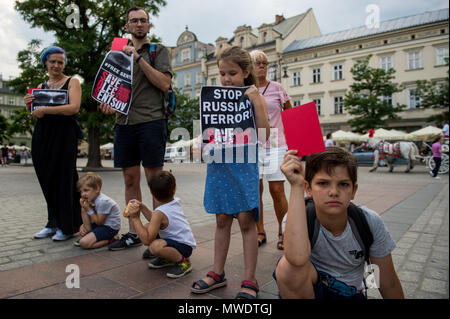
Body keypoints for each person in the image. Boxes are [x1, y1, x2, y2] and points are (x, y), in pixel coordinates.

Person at [191, 46, 270, 299]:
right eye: (222, 73)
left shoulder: (253, 95)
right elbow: (209, 127)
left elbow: (265, 134)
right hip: (219, 164)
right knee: (221, 220)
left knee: (247, 222)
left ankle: (250, 279)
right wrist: (199, 142)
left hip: (245, 164)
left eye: (232, 73)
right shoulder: (214, 96)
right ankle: (217, 272)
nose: (226, 79)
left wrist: (256, 99)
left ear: (246, 72)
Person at [274, 147, 404, 299]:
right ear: (308, 189)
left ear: (353, 190)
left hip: (351, 294)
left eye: (343, 184)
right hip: (312, 290)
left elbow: (387, 282)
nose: (333, 192)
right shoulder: (297, 218)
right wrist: (296, 186)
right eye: (323, 183)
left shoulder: (368, 222)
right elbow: (297, 259)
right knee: (287, 268)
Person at [99, 6, 173, 253]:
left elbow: (164, 83)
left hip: (151, 121)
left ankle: (160, 234)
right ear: (127, 26)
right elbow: (110, 85)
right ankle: (134, 232)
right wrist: (107, 100)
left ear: (149, 26)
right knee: (130, 179)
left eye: (143, 20)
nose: (139, 24)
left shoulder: (157, 51)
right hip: (124, 124)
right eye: (134, 21)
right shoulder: (115, 52)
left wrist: (138, 58)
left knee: (155, 181)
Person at [24, 46, 82, 241]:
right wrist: (30, 105)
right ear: (45, 63)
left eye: (60, 62)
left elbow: (73, 108)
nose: (56, 65)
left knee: (65, 179)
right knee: (46, 178)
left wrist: (45, 110)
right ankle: (52, 222)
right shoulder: (40, 86)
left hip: (65, 134)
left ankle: (68, 226)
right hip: (43, 134)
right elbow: (35, 113)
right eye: (53, 61)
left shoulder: (72, 82)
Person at [249, 50, 291, 250]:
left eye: (265, 63)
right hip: (252, 143)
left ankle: (284, 231)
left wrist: (298, 143)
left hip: (275, 141)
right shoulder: (245, 89)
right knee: (255, 190)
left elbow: (291, 114)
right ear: (249, 66)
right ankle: (260, 230)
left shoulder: (277, 88)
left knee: (277, 189)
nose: (262, 66)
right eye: (257, 63)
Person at [126, 170, 196, 279]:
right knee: (147, 226)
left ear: (152, 193)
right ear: (175, 189)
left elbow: (146, 240)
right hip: (184, 243)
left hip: (183, 247)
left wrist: (135, 218)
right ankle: (167, 257)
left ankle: (184, 262)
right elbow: (155, 220)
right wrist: (142, 207)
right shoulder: (174, 202)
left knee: (154, 247)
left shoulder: (160, 212)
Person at [74, 172, 121, 249]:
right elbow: (91, 215)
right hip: (100, 223)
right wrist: (83, 225)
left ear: (97, 189)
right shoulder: (92, 198)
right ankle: (89, 234)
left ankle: (111, 239)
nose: (83, 194)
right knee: (83, 209)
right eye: (81, 191)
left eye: (86, 190)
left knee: (84, 243)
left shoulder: (103, 201)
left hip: (110, 228)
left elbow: (99, 222)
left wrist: (88, 209)